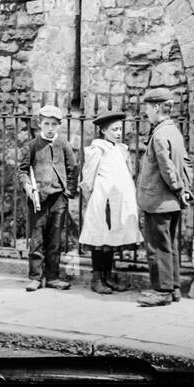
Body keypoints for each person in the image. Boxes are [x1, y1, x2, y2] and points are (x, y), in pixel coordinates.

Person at [136, 87, 193, 307]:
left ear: (158, 108)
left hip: (158, 201)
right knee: (170, 245)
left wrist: (178, 188)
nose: (146, 113)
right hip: (171, 202)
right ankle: (174, 287)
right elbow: (185, 162)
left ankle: (161, 290)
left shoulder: (159, 135)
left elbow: (167, 168)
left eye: (148, 108)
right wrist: (185, 190)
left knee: (158, 247)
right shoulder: (174, 131)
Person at [78, 109, 141, 294]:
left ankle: (108, 276)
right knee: (100, 239)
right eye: (114, 129)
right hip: (102, 201)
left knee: (112, 239)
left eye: (120, 129)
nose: (118, 133)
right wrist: (91, 200)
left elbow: (127, 174)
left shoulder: (121, 150)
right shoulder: (98, 149)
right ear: (104, 131)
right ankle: (97, 279)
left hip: (118, 201)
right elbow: (88, 177)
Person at [19, 103, 79, 291]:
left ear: (59, 125)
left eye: (54, 124)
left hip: (58, 200)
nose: (50, 128)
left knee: (55, 240)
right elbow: (21, 171)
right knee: (36, 239)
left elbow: (73, 169)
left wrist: (68, 191)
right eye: (47, 124)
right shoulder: (32, 146)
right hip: (38, 200)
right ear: (40, 124)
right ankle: (36, 277)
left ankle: (52, 276)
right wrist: (27, 185)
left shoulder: (64, 145)